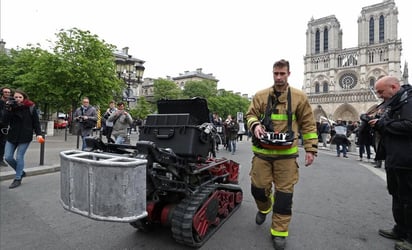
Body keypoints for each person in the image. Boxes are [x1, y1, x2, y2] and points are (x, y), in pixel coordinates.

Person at [246, 59, 318, 250]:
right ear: (273, 73)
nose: (279, 77)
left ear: (288, 74)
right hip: (262, 153)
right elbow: (250, 114)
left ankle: (279, 232)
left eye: (282, 74)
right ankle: (264, 207)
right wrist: (255, 125)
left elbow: (308, 124)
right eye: (276, 74)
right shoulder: (261, 95)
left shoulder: (299, 97)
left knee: (284, 196)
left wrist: (311, 148)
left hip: (286, 155)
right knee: (258, 188)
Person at [369, 76, 412, 250]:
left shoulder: (409, 102)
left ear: (394, 87)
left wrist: (383, 123)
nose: (379, 95)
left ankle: (410, 239)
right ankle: (400, 229)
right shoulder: (395, 103)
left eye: (381, 91)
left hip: (408, 160)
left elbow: (409, 125)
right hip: (396, 158)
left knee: (409, 199)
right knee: (397, 195)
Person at [3, 90, 43, 189]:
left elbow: (36, 122)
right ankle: (21, 172)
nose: (18, 99)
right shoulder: (11, 107)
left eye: (20, 97)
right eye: (16, 97)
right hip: (12, 135)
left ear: (24, 98)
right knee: (8, 157)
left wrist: (39, 134)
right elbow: (4, 121)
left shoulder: (30, 107)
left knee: (19, 156)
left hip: (25, 135)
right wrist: (7, 109)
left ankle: (17, 178)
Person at [0, 87, 12, 167]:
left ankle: (1, 159)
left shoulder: (10, 103)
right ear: (2, 93)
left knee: (3, 143)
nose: (7, 93)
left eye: (8, 92)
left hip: (5, 126)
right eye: (5, 92)